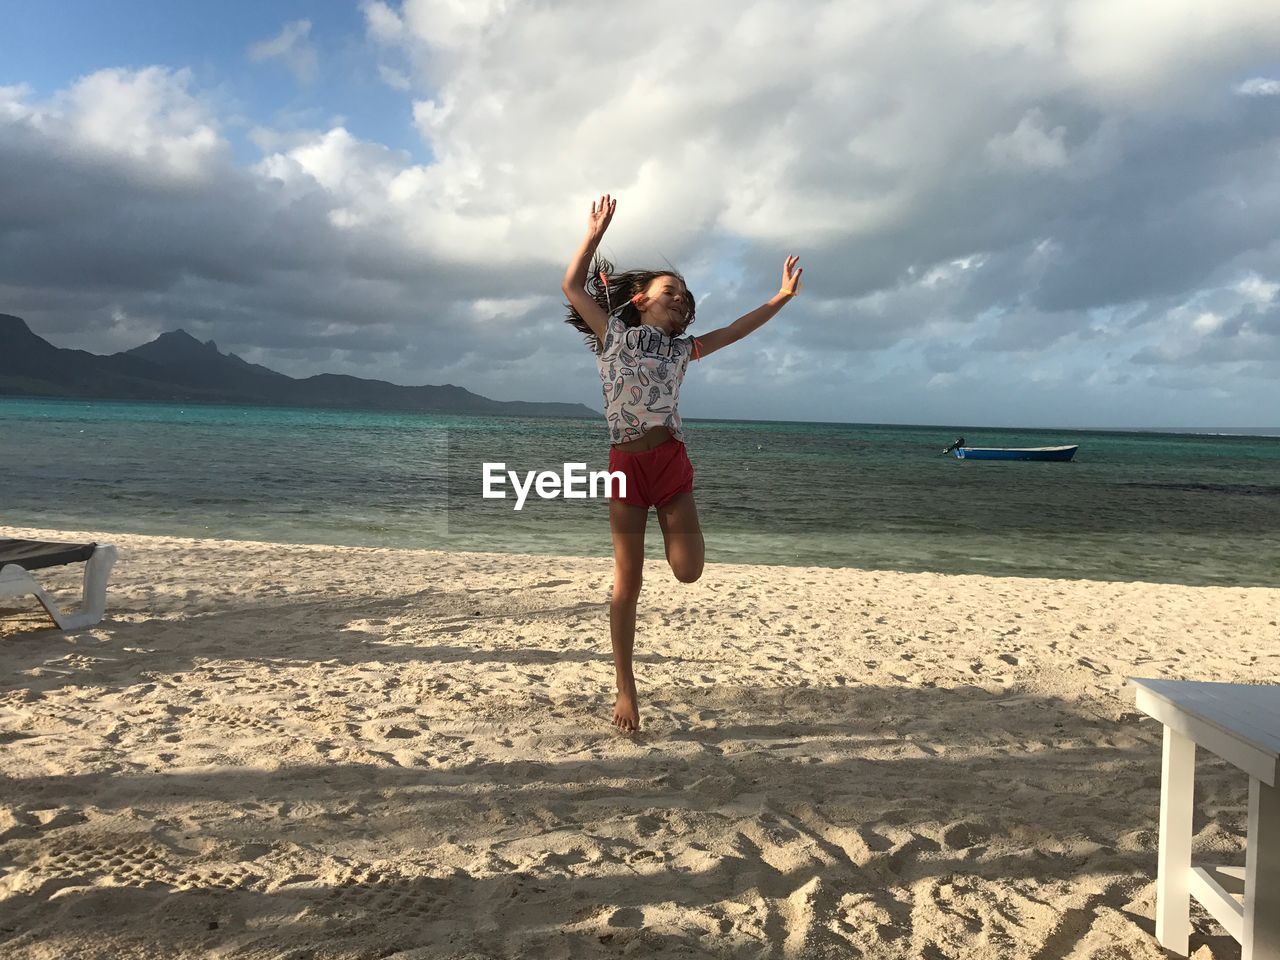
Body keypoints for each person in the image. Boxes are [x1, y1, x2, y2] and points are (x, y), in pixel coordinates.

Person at [561, 194, 803, 732]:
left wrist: (781, 297)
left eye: (684, 295)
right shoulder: (613, 334)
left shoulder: (682, 350)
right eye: (670, 290)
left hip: (670, 464)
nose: (679, 298)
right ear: (641, 298)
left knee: (688, 571)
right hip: (625, 463)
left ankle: (679, 548)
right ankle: (625, 687)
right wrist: (594, 234)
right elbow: (572, 287)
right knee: (628, 580)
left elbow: (737, 330)